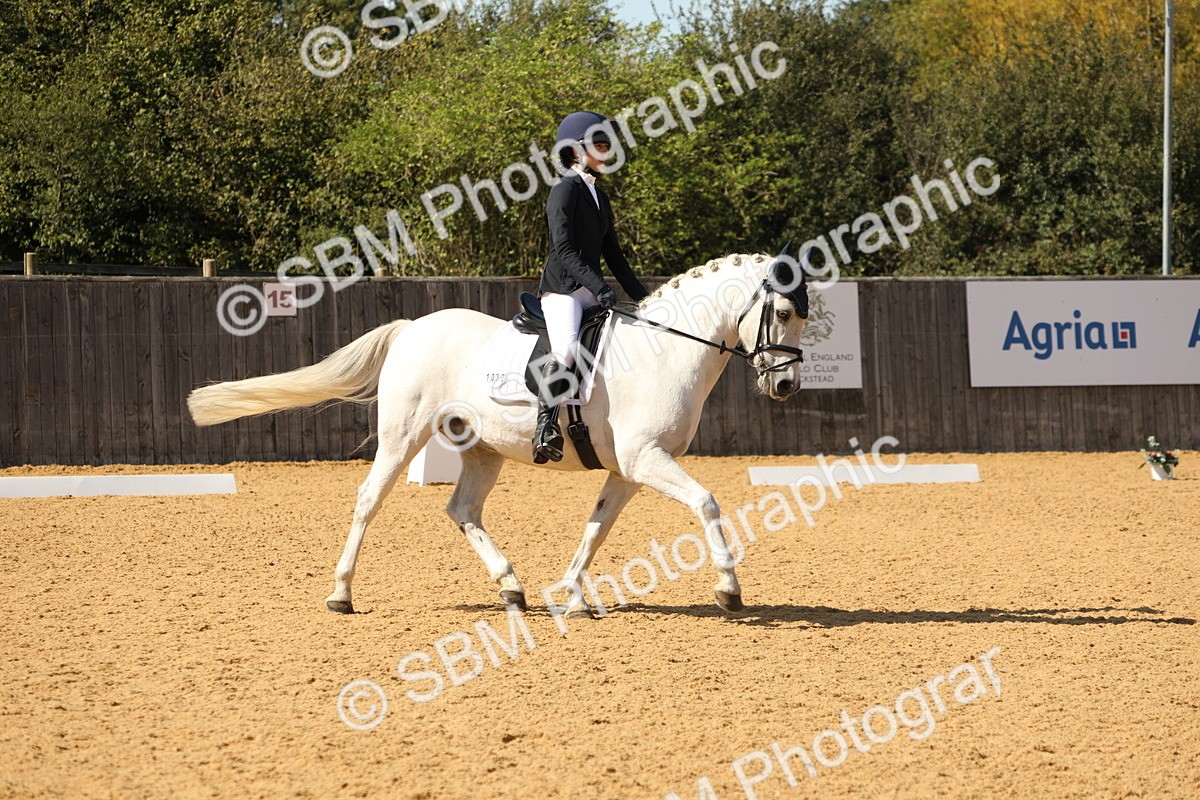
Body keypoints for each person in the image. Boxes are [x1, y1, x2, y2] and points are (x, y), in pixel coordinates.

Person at [533, 111, 649, 464]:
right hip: (563, 290)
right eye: (600, 143)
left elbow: (614, 254)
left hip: (587, 288)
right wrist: (599, 287)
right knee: (567, 351)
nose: (606, 149)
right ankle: (545, 426)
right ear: (575, 149)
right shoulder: (564, 189)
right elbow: (564, 249)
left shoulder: (599, 194)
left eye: (607, 143)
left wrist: (645, 298)